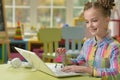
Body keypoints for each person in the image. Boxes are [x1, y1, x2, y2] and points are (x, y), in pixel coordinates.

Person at [56, 0, 120, 80]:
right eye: (87, 22)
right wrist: (65, 59)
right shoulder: (87, 43)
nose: (90, 25)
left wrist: (88, 70)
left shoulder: (115, 47)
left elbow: (117, 74)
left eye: (94, 20)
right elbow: (79, 62)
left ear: (106, 20)